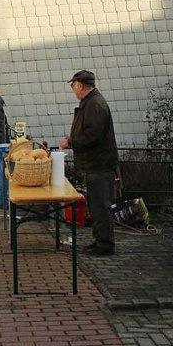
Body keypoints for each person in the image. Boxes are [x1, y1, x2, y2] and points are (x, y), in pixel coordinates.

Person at [59, 70, 119, 257]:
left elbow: (93, 136)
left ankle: (105, 244)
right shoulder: (91, 103)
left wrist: (71, 141)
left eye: (73, 86)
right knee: (96, 205)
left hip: (99, 163)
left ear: (80, 86)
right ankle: (100, 240)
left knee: (101, 205)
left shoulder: (95, 105)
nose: (72, 89)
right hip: (95, 163)